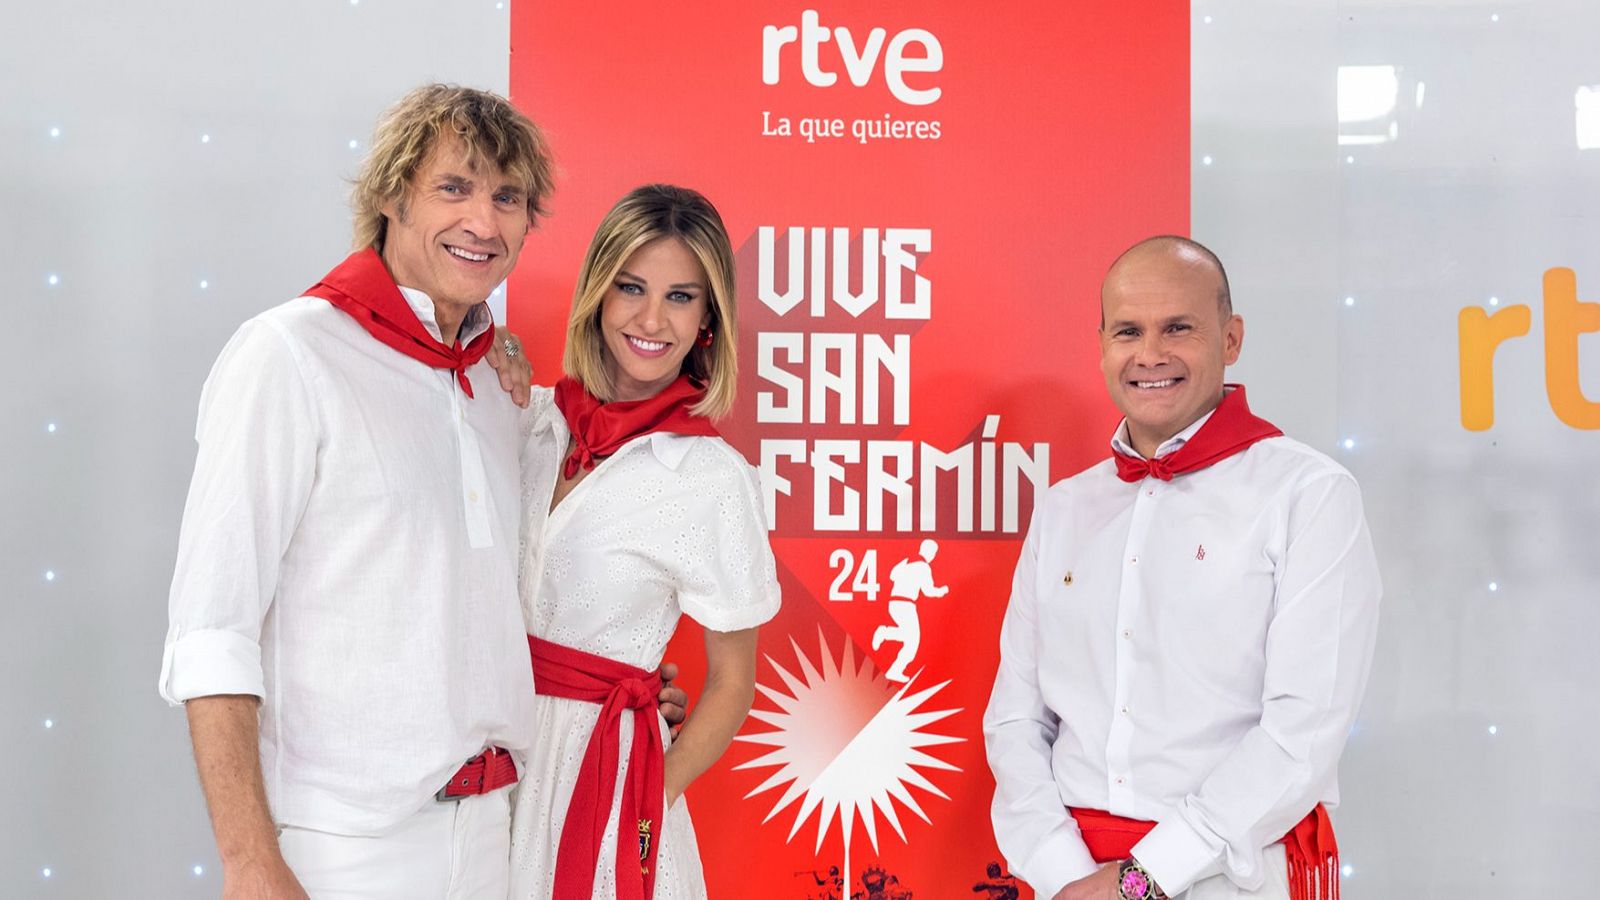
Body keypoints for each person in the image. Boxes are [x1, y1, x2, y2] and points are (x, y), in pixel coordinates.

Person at [158, 85, 683, 899]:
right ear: (391, 196)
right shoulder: (289, 356)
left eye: (507, 198)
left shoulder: (498, 390)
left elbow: (493, 595)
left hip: (493, 837)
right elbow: (211, 630)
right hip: (345, 846)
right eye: (454, 187)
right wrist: (249, 861)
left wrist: (617, 681)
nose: (484, 221)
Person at [982, 236, 1381, 900]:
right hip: (1070, 878)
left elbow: (1301, 733)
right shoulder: (1064, 508)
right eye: (1128, 331)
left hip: (1234, 876)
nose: (1150, 354)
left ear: (1231, 339)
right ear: (1103, 345)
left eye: (1179, 328)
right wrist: (1063, 876)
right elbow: (1016, 719)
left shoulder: (1310, 495)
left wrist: (1141, 881)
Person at [508, 185, 782, 898]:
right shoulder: (524, 423)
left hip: (602, 778)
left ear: (709, 320)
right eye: (631, 286)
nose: (652, 318)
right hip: (484, 752)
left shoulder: (713, 478)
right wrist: (499, 346)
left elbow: (731, 683)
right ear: (597, 291)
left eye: (681, 297)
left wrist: (645, 799)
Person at [872, 538, 949, 682]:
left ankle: (886, 635)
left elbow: (892, 576)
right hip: (906, 604)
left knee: (909, 637)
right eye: (934, 552)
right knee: (913, 641)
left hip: (894, 603)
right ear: (930, 552)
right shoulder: (923, 567)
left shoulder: (906, 562)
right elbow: (929, 591)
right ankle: (894, 666)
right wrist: (943, 591)